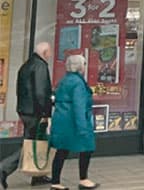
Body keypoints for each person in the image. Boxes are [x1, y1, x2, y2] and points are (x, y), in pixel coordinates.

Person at [0, 42, 53, 189]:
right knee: (30, 143)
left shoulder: (27, 65)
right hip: (35, 111)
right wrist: (45, 113)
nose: (50, 55)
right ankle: (4, 168)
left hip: (25, 109)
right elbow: (41, 92)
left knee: (35, 141)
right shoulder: (40, 66)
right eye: (49, 52)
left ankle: (38, 175)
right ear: (44, 52)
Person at [48, 54, 99, 190]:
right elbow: (79, 106)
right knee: (87, 148)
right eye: (84, 63)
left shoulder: (65, 80)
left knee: (62, 150)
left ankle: (55, 182)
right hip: (74, 121)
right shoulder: (78, 83)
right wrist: (83, 128)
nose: (85, 66)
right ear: (80, 66)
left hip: (62, 120)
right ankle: (84, 179)